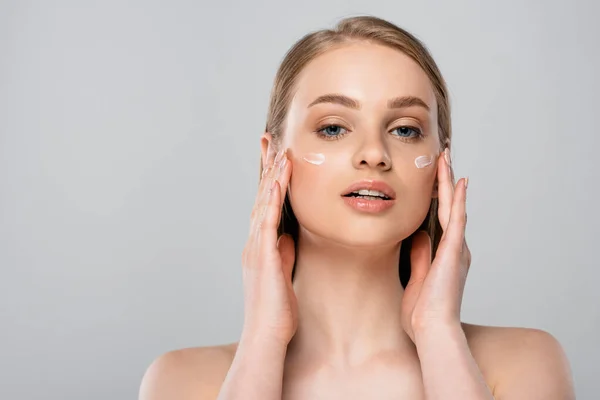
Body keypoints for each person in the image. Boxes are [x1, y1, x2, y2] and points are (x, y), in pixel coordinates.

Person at [139, 15, 575, 399]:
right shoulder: (183, 382)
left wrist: (439, 335)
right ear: (271, 159)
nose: (373, 153)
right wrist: (263, 339)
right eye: (332, 127)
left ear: (442, 165)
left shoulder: (524, 364)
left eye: (405, 130)